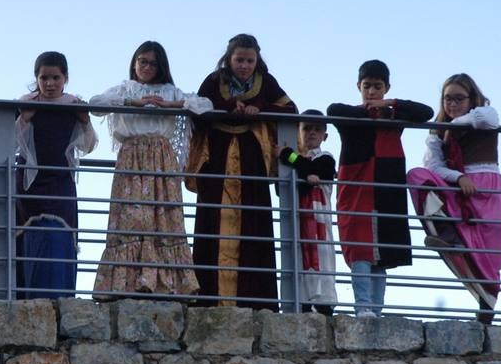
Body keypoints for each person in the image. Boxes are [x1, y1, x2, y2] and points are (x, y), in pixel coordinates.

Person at [90, 41, 211, 298]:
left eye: (152, 63)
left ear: (161, 66)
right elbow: (95, 103)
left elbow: (205, 105)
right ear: (134, 63)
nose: (146, 67)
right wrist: (131, 102)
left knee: (163, 218)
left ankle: (166, 283)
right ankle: (127, 282)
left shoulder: (169, 92)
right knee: (130, 217)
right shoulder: (126, 88)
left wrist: (172, 106)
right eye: (142, 61)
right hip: (132, 158)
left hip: (160, 159)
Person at [185, 34, 296, 307]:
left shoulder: (266, 82)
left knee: (254, 225)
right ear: (229, 58)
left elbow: (291, 110)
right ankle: (209, 299)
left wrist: (260, 109)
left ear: (257, 60)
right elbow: (197, 111)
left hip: (251, 162)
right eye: (239, 60)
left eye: (249, 60)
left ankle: (255, 302)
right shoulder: (213, 81)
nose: (244, 65)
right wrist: (227, 108)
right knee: (211, 223)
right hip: (217, 162)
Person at [327, 59, 433, 316]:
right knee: (360, 249)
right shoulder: (351, 115)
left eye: (377, 87)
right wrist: (371, 111)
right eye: (367, 86)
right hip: (356, 188)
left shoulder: (394, 114)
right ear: (358, 87)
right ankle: (363, 307)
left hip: (387, 186)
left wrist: (390, 105)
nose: (372, 92)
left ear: (387, 88)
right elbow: (333, 109)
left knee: (382, 254)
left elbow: (426, 112)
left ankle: (377, 310)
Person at [406, 74, 501, 324]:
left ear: (471, 98)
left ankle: (486, 308)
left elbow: (486, 117)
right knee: (417, 176)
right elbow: (434, 166)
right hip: (461, 185)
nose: (452, 104)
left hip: (488, 186)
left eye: (459, 98)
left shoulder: (484, 115)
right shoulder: (437, 132)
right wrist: (459, 177)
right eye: (447, 99)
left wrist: (452, 126)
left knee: (490, 252)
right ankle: (445, 231)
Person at [16, 51, 97, 299]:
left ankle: (61, 298)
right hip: (31, 182)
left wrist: (84, 120)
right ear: (36, 78)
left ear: (65, 78)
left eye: (56, 77)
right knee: (33, 236)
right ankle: (28, 297)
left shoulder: (74, 105)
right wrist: (25, 118)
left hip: (61, 181)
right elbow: (10, 141)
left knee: (59, 237)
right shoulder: (25, 102)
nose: (50, 84)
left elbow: (89, 144)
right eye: (44, 78)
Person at [277, 110, 338, 315]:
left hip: (319, 224)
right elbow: (284, 189)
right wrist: (302, 168)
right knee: (298, 261)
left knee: (323, 261)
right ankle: (301, 306)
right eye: (306, 128)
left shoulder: (326, 157)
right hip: (298, 222)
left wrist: (287, 155)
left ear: (325, 136)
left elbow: (319, 169)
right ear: (298, 132)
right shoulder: (292, 167)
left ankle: (325, 307)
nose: (312, 132)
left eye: (317, 129)